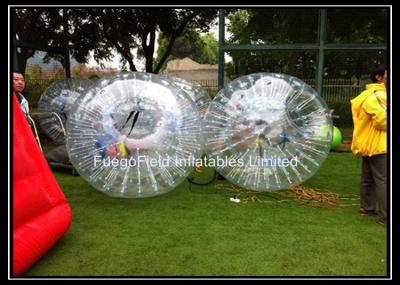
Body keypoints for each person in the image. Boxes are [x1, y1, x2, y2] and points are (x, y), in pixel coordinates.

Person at [350, 64, 387, 225]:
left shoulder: (369, 94)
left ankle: (367, 207)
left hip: (368, 143)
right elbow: (383, 120)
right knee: (383, 180)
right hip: (379, 144)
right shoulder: (378, 96)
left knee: (368, 178)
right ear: (379, 78)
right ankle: (386, 216)